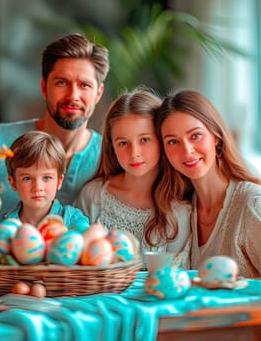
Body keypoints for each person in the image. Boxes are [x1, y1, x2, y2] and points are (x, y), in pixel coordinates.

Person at [154, 88, 261, 339]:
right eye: (173, 141)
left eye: (195, 136)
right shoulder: (185, 212)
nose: (187, 151)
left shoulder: (253, 205)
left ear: (216, 136)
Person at [0, 33, 109, 232]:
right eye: (62, 83)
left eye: (85, 85)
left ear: (98, 93)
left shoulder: (110, 157)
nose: (73, 96)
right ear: (44, 87)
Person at [75, 88, 190, 267]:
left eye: (144, 140)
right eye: (122, 143)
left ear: (161, 139)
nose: (134, 153)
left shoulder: (180, 207)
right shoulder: (93, 196)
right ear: (111, 146)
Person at [0, 131, 89, 234]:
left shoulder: (73, 221)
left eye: (47, 178)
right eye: (27, 178)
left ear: (59, 181)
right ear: (13, 182)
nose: (37, 187)